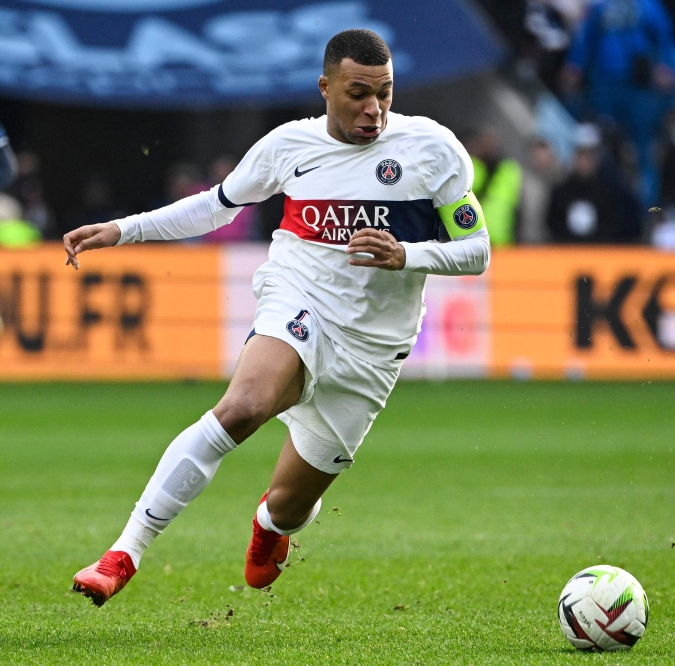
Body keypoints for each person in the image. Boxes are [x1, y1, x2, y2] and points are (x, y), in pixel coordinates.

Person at [63, 30, 490, 607]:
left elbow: (478, 249)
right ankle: (124, 552)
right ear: (325, 88)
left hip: (372, 352)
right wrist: (124, 229)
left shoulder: (432, 149)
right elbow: (216, 205)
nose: (374, 109)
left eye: (384, 93)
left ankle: (271, 524)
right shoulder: (289, 146)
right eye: (358, 93)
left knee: (291, 506)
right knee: (243, 408)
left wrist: (406, 254)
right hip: (299, 302)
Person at [560, 0, 675, 205]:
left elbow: (664, 36)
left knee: (644, 149)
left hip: (639, 88)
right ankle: (607, 207)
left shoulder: (647, 4)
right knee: (604, 149)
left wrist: (666, 66)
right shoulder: (600, 6)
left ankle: (649, 209)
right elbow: (586, 37)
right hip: (605, 86)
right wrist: (574, 65)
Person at [546, 123, 641, 243]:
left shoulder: (608, 192)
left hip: (599, 255)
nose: (585, 161)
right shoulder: (561, 192)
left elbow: (614, 226)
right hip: (567, 254)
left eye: (589, 156)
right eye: (581, 155)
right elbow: (553, 224)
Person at [463, 127, 523, 248]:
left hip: (502, 239)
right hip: (473, 238)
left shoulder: (509, 169)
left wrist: (518, 236)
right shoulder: (470, 167)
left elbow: (517, 207)